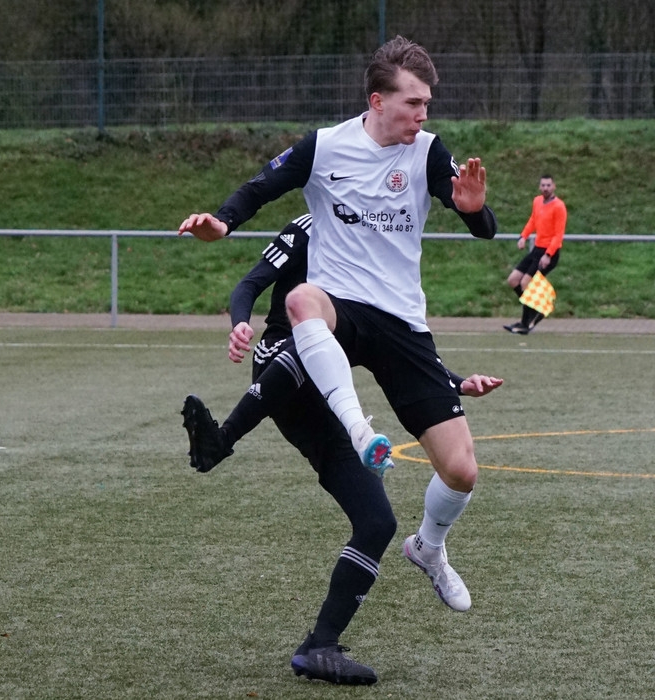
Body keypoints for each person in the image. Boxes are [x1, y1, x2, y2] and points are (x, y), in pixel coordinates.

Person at [178, 36, 498, 614]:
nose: (423, 115)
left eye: (427, 104)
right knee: (302, 300)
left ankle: (429, 548)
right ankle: (359, 433)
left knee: (461, 470)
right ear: (378, 101)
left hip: (401, 320)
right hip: (341, 304)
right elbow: (259, 189)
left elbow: (482, 223)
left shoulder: (428, 152)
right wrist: (221, 223)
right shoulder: (325, 146)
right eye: (413, 103)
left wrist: (476, 212)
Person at [181, 214, 502, 684]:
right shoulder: (309, 226)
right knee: (309, 332)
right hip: (279, 362)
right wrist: (239, 324)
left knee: (377, 522)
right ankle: (221, 440)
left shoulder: (378, 235)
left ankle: (321, 647)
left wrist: (452, 382)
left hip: (323, 394)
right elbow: (249, 283)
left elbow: (387, 337)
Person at [503, 174, 567, 334]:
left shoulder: (559, 206)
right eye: (543, 185)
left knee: (526, 282)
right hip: (537, 250)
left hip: (549, 252)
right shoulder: (537, 201)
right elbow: (533, 220)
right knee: (513, 280)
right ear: (539, 187)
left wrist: (548, 255)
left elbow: (558, 235)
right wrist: (523, 236)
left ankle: (525, 323)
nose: (545, 188)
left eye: (548, 185)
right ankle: (534, 312)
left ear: (554, 186)